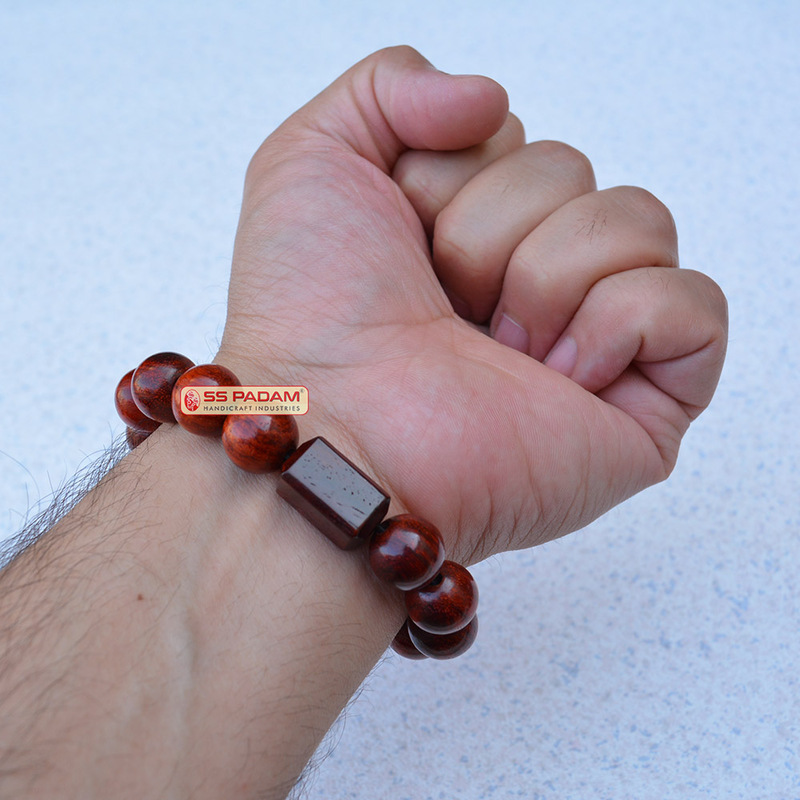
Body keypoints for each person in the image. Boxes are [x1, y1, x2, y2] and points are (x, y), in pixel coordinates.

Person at [0, 46, 727, 799]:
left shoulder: (242, 409)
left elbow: (223, 407)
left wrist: (308, 405)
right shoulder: (249, 405)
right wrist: (305, 395)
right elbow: (231, 408)